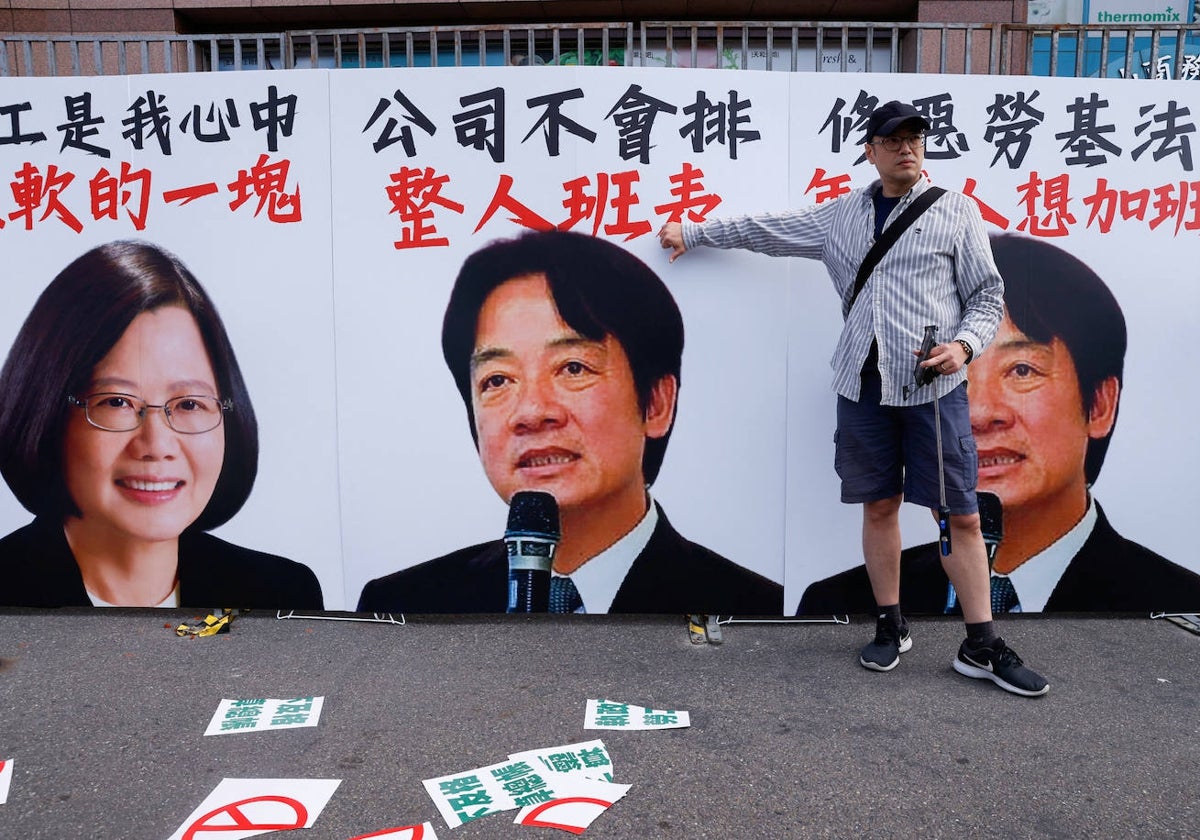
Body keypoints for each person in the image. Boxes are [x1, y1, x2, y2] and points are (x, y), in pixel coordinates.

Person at [658, 100, 1048, 696]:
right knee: (879, 506)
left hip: (932, 388)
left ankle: (982, 644)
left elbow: (988, 296)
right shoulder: (841, 216)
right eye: (893, 139)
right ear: (869, 150)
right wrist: (695, 232)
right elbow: (766, 230)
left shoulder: (956, 212)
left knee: (960, 514)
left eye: (916, 137)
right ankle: (891, 624)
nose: (907, 147)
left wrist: (965, 347)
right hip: (861, 385)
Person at [357, 229, 782, 615]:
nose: (531, 412)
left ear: (655, 402)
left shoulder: (752, 613)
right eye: (498, 379)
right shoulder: (404, 608)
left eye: (573, 368)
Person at [800, 233, 1200, 614]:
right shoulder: (841, 602)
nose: (977, 413)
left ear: (1099, 404)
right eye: (951, 373)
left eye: (1022, 370)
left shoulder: (1175, 603)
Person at [0, 240, 323, 609]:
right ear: (46, 413)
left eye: (189, 404)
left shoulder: (282, 595)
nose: (156, 444)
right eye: (117, 402)